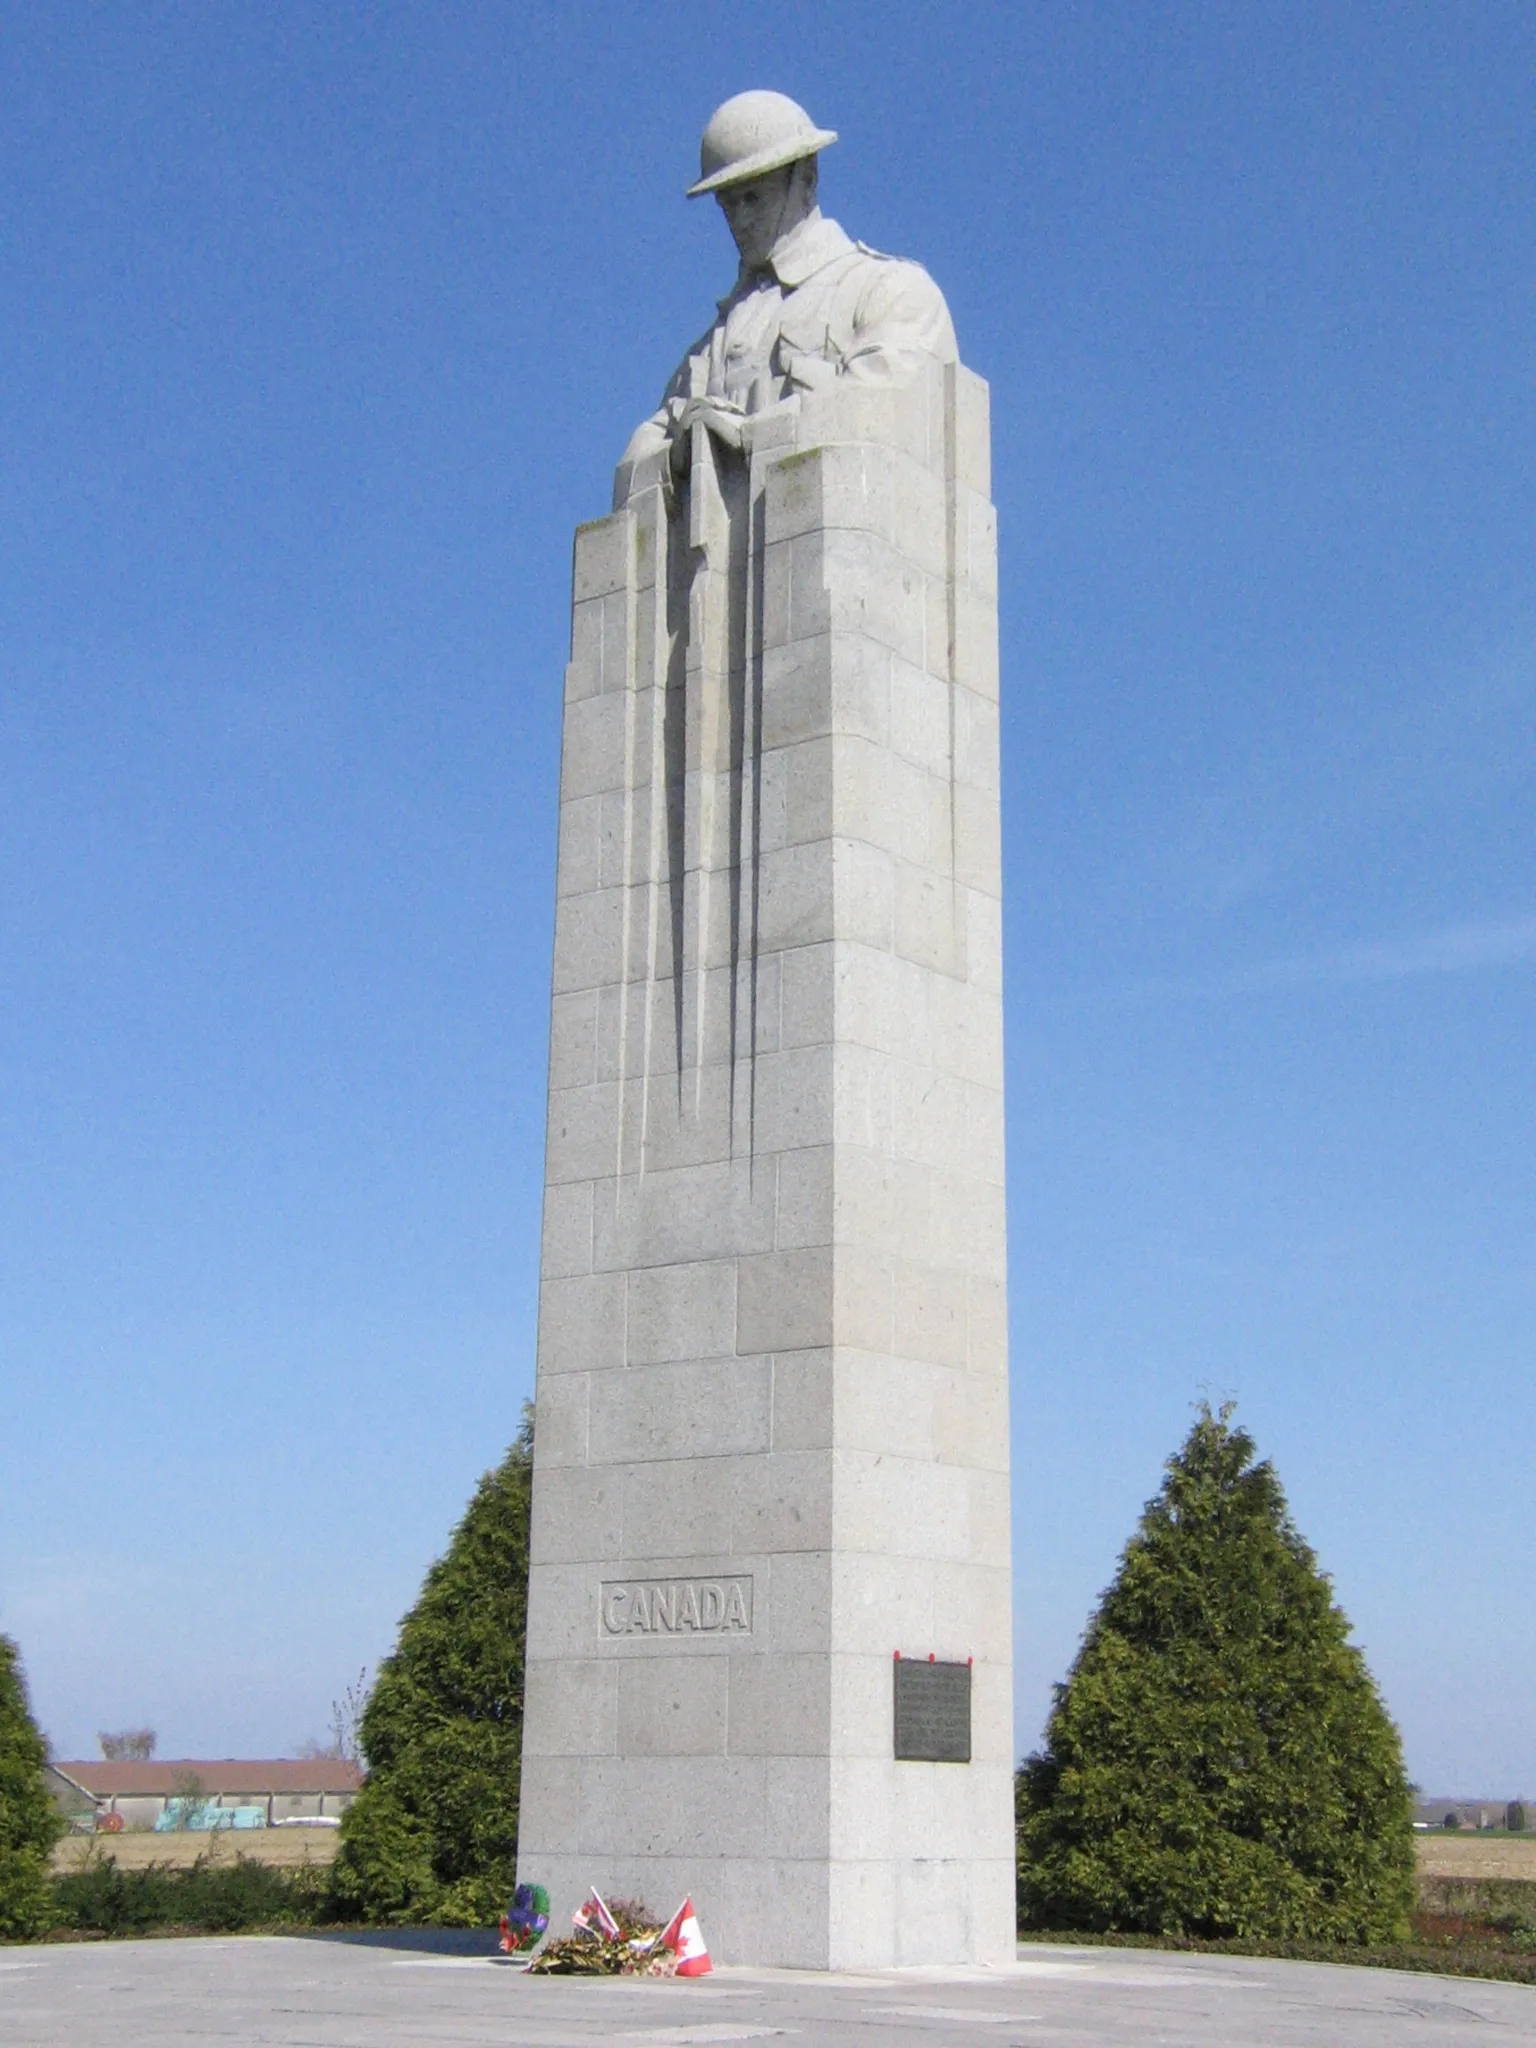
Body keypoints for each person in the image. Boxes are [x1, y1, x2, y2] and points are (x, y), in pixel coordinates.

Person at [614, 90, 957, 506]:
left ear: (807, 178)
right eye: (728, 204)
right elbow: (636, 461)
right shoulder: (707, 350)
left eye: (754, 198)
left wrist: (750, 435)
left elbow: (887, 417)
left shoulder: (888, 290)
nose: (740, 220)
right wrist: (680, 456)